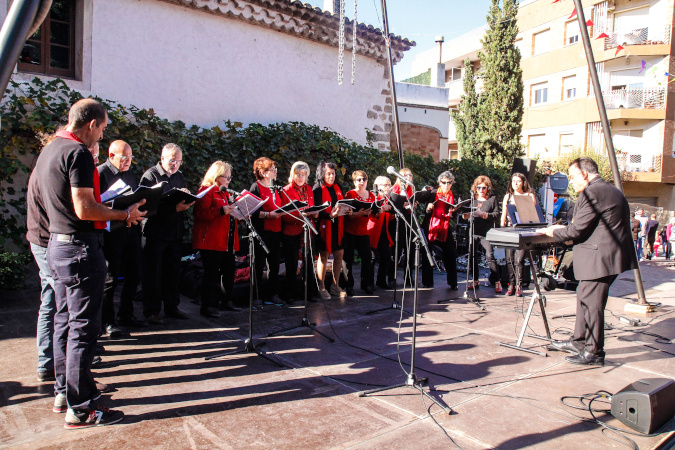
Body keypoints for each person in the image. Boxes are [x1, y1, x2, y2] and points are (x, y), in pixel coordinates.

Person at [31, 98, 145, 428]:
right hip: (80, 248)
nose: (102, 135)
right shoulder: (78, 152)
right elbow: (85, 208)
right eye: (103, 129)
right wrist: (125, 214)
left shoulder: (51, 148)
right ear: (92, 125)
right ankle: (80, 408)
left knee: (65, 322)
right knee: (83, 328)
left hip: (57, 244)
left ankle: (66, 393)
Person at [544, 157, 636, 366]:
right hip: (608, 257)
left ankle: (594, 352)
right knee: (585, 296)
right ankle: (579, 342)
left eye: (574, 176)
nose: (572, 182)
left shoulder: (592, 192)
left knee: (592, 303)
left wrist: (554, 232)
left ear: (584, 174)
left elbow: (577, 229)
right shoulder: (610, 189)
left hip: (600, 259)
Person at [140, 143, 194, 323]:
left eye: (179, 161)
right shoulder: (150, 176)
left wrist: (187, 198)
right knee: (154, 273)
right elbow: (146, 206)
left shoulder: (179, 176)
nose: (175, 164)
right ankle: (152, 311)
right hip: (156, 232)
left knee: (173, 272)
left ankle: (172, 306)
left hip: (175, 232)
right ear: (162, 158)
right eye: (172, 160)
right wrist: (174, 208)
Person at [97, 141, 146, 333]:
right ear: (111, 156)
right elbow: (97, 204)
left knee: (134, 274)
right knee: (110, 279)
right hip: (111, 233)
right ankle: (108, 321)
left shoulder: (129, 174)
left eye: (130, 158)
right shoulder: (101, 174)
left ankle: (126, 314)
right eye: (124, 158)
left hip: (130, 229)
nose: (128, 162)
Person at [192, 161, 241, 318]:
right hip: (211, 240)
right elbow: (200, 214)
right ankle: (208, 305)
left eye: (229, 177)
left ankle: (226, 300)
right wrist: (220, 210)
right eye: (226, 177)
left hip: (227, 239)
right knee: (211, 274)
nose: (228, 180)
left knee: (229, 271)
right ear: (216, 176)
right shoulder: (206, 191)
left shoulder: (226, 192)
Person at [279, 161, 318, 303]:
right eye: (298, 174)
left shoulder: (309, 189)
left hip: (308, 229)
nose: (300, 177)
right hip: (292, 230)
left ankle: (309, 293)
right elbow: (283, 214)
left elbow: (312, 206)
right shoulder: (286, 190)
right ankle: (289, 294)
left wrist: (315, 213)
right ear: (292, 175)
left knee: (309, 262)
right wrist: (299, 216)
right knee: (292, 263)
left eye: (303, 175)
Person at [313, 161, 351, 300]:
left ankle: (335, 286)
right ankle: (321, 287)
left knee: (339, 254)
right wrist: (330, 215)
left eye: (333, 173)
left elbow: (342, 203)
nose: (331, 176)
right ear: (322, 174)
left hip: (338, 226)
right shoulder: (317, 188)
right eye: (328, 173)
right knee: (324, 257)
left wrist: (347, 210)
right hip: (324, 226)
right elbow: (317, 209)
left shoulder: (338, 186)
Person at [249, 157, 284, 306]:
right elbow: (251, 212)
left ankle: (273, 294)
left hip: (276, 230)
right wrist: (269, 215)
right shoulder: (255, 187)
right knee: (258, 264)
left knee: (274, 264)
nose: (276, 172)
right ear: (263, 172)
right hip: (262, 231)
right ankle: (257, 296)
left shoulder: (275, 187)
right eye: (272, 169)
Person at [500, 173, 537, 296]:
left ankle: (519, 285)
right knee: (509, 258)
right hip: (510, 228)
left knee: (519, 259)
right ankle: (511, 284)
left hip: (523, 229)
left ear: (523, 183)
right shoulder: (508, 196)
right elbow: (504, 214)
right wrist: (501, 228)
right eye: (513, 181)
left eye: (518, 181)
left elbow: (533, 213)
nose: (515, 183)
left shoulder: (529, 195)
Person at [421, 171, 458, 290]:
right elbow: (424, 209)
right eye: (444, 182)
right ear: (439, 183)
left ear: (452, 183)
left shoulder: (454, 196)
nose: (446, 185)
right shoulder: (432, 193)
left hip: (445, 227)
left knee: (451, 253)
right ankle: (427, 282)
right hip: (431, 226)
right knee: (427, 252)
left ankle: (453, 282)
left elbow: (456, 212)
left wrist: (454, 211)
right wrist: (428, 208)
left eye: (449, 183)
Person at [462, 176, 500, 291]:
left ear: (487, 188)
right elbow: (464, 214)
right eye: (478, 188)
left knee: (489, 255)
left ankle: (497, 280)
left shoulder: (492, 199)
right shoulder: (472, 199)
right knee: (472, 255)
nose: (481, 190)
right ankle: (475, 280)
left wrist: (484, 215)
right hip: (473, 230)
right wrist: (467, 215)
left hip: (486, 232)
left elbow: (497, 214)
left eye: (483, 188)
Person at [343, 170, 376, 296]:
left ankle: (366, 284)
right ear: (354, 181)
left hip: (363, 231)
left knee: (367, 258)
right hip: (350, 230)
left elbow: (373, 214)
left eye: (364, 179)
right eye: (358, 180)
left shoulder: (371, 196)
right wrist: (359, 213)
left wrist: (377, 211)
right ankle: (348, 286)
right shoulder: (350, 194)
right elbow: (347, 215)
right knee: (349, 259)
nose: (362, 182)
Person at [365, 176, 394, 289]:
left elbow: (390, 217)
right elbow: (370, 214)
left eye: (389, 185)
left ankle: (381, 280)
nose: (388, 187)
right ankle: (370, 283)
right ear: (378, 186)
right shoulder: (373, 197)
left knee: (386, 256)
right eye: (385, 185)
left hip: (384, 231)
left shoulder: (387, 198)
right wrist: (381, 209)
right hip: (373, 231)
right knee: (371, 259)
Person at [390, 167, 415, 284]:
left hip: (408, 221)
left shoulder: (412, 190)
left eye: (410, 176)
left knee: (410, 250)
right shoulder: (394, 189)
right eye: (406, 176)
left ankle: (409, 277)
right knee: (396, 251)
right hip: (397, 222)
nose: (408, 178)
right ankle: (392, 278)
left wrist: (412, 206)